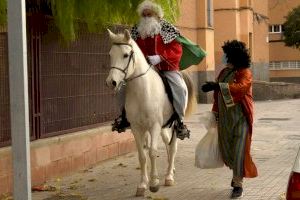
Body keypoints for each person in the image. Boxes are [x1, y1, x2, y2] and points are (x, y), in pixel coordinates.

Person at [112, 0, 190, 140]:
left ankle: (180, 122)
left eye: (149, 14)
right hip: (146, 68)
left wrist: (160, 57)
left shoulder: (167, 29)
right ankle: (123, 117)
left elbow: (177, 49)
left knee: (179, 87)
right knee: (123, 87)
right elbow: (132, 50)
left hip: (166, 67)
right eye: (144, 14)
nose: (146, 17)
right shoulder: (136, 30)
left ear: (157, 15)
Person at [201, 40, 258, 199]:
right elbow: (217, 96)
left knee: (240, 152)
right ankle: (236, 176)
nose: (224, 57)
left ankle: (238, 184)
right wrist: (214, 113)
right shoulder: (224, 72)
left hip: (241, 119)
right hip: (225, 120)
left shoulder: (245, 72)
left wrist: (217, 86)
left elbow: (240, 88)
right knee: (228, 151)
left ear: (233, 56)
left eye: (226, 54)